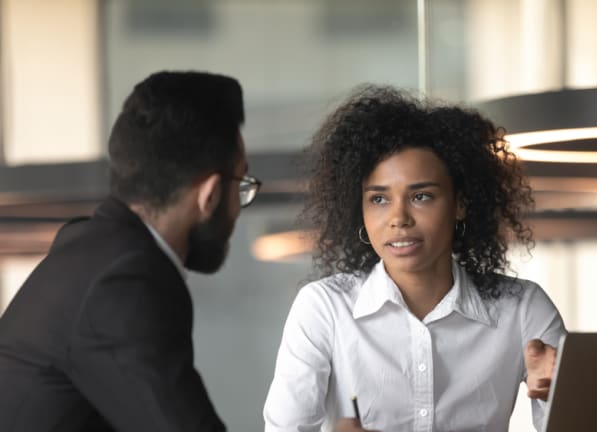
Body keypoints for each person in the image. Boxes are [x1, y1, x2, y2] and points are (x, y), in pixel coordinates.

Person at [263, 85, 566, 432]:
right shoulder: (324, 309)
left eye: (421, 196)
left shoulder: (522, 309)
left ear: (460, 204)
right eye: (378, 199)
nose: (399, 218)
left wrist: (564, 394)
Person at [0, 71, 260, 431]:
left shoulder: (92, 247)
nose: (237, 207)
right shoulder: (125, 280)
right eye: (241, 185)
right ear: (210, 194)